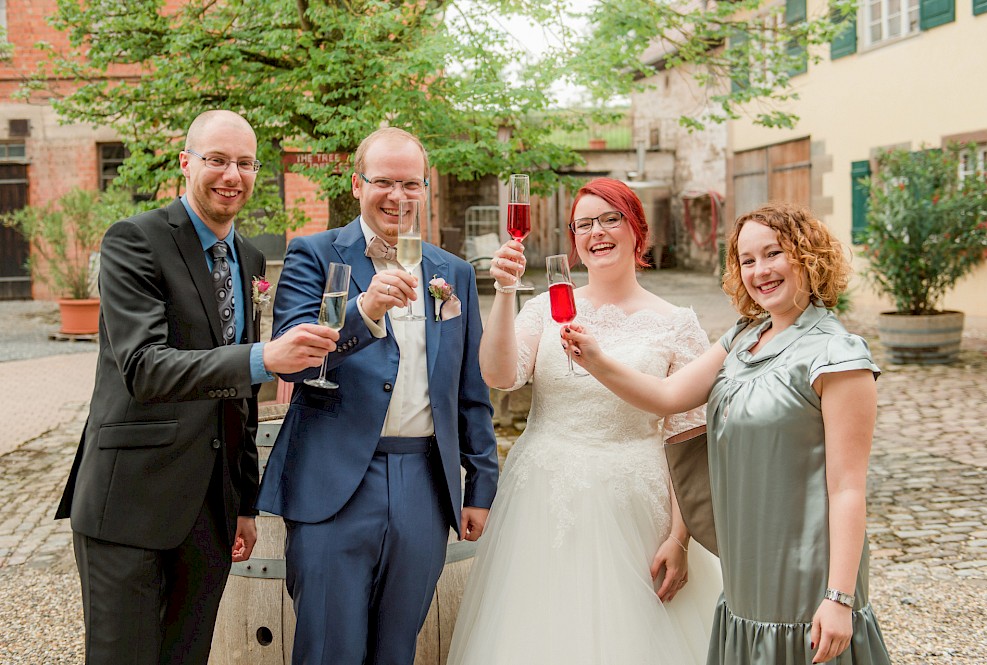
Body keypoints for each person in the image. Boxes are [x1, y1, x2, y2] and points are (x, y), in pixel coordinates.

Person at [55, 110, 341, 664]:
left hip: (210, 512)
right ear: (186, 163)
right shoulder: (133, 241)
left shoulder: (251, 257)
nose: (230, 174)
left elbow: (237, 399)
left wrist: (244, 502)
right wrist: (263, 357)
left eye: (244, 162)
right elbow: (144, 368)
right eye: (216, 159)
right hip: (130, 503)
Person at [563, 202, 893, 665]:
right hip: (743, 568)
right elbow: (665, 395)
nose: (761, 271)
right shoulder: (742, 338)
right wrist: (595, 360)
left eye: (774, 253)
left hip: (807, 572)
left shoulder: (839, 356)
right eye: (747, 260)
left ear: (807, 255)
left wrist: (838, 598)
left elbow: (847, 489)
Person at [447, 177, 723, 664]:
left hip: (636, 505)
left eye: (610, 218)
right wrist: (505, 292)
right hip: (542, 501)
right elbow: (499, 375)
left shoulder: (676, 323)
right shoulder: (546, 309)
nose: (597, 232)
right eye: (583, 224)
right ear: (573, 240)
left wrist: (681, 539)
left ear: (636, 228)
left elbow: (690, 439)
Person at [255, 127, 499, 665]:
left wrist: (480, 485)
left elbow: (470, 389)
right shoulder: (313, 255)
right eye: (384, 182)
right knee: (327, 649)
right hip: (333, 481)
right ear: (356, 184)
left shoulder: (450, 273)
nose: (398, 196)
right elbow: (291, 358)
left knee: (397, 648)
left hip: (423, 483)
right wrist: (363, 312)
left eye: (411, 184)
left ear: (425, 188)